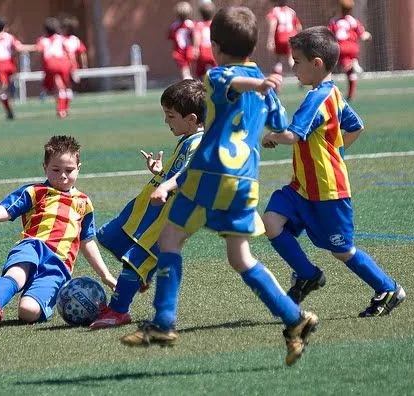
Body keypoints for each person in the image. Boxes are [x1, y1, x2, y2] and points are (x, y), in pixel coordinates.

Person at [121, 6, 319, 367]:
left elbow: (231, 83)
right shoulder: (269, 88)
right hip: (245, 180)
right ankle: (295, 319)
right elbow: (278, 123)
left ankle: (164, 321)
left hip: (210, 174)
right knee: (240, 258)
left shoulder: (216, 76)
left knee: (170, 240)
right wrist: (263, 90)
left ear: (214, 45)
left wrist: (254, 85)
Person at [261, 26, 405, 318]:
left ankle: (388, 288)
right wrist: (334, 152)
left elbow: (293, 134)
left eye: (297, 61)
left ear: (316, 64)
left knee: (342, 250)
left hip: (327, 190)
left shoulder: (318, 99)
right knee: (272, 221)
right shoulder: (332, 93)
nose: (292, 66)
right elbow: (356, 127)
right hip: (301, 186)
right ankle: (307, 274)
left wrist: (272, 136)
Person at [0, 135, 117, 333]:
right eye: (56, 170)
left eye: (69, 170)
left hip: (59, 264)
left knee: (28, 312)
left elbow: (87, 241)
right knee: (17, 274)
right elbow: (6, 210)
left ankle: (40, 301)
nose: (62, 175)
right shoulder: (35, 192)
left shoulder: (84, 203)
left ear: (79, 168)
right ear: (45, 167)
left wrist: (106, 275)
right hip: (33, 246)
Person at [90, 79, 205, 330]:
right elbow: (178, 171)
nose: (166, 121)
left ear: (192, 119)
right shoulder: (188, 138)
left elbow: (190, 175)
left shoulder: (198, 144)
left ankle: (119, 310)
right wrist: (161, 171)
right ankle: (141, 275)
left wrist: (166, 185)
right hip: (151, 209)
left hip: (167, 216)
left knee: (135, 258)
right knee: (115, 238)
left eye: (170, 115)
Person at [0, 16, 33, 120]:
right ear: (5, 26)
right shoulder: (10, 37)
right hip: (10, 64)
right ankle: (11, 88)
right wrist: (34, 47)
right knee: (6, 84)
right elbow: (19, 48)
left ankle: (8, 110)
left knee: (1, 90)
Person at [328, 0, 372, 101]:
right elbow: (362, 35)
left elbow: (329, 34)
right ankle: (351, 94)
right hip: (353, 47)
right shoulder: (353, 21)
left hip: (341, 48)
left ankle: (351, 65)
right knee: (351, 73)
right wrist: (368, 35)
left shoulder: (334, 21)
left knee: (345, 68)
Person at [35, 18, 77, 118]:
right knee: (65, 87)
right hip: (64, 63)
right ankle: (65, 109)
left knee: (58, 88)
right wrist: (73, 66)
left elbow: (38, 49)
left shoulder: (42, 40)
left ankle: (61, 110)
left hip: (51, 64)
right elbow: (69, 52)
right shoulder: (62, 38)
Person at [265, 0, 302, 75]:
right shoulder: (291, 11)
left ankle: (278, 78)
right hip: (291, 37)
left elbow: (273, 23)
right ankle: (300, 73)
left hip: (280, 37)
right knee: (291, 58)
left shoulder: (275, 11)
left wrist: (270, 39)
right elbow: (299, 27)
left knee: (278, 59)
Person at [168, 1, 195, 80]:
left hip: (179, 50)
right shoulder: (191, 24)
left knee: (185, 70)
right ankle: (190, 82)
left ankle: (188, 82)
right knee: (188, 69)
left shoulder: (174, 26)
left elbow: (171, 37)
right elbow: (194, 36)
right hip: (189, 49)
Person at [193, 1, 217, 81]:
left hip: (203, 51)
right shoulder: (214, 24)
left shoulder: (199, 25)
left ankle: (203, 86)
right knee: (217, 70)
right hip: (213, 51)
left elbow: (197, 37)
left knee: (200, 72)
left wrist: (196, 49)